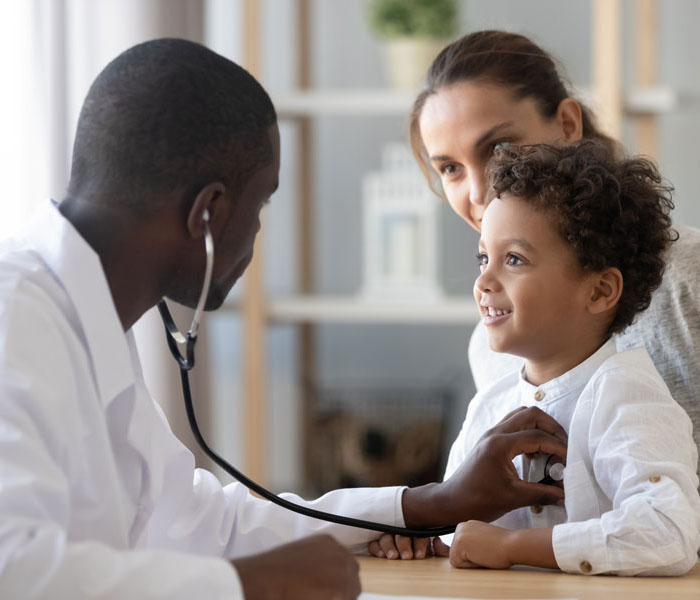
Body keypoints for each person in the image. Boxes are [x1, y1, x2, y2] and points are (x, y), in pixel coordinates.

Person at [0, 38, 570, 599]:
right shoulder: (14, 317)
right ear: (208, 214)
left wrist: (432, 503)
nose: (256, 232)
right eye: (262, 202)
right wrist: (251, 585)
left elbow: (204, 522)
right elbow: (13, 568)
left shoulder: (87, 324)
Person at [369, 28, 700, 562]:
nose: (478, 192)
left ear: (568, 124)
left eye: (499, 148)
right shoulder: (496, 350)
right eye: (450, 168)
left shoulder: (688, 277)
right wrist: (431, 532)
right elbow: (485, 516)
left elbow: (665, 526)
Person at [445, 141, 700, 575]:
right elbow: (457, 529)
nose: (484, 280)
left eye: (514, 259)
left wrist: (514, 545)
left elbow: (669, 533)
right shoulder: (490, 405)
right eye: (483, 257)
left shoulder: (628, 397)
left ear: (600, 291)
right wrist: (418, 537)